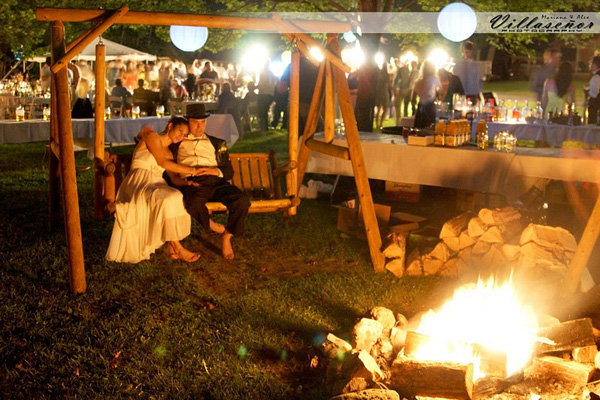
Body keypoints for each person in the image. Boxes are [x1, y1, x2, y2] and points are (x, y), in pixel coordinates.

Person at [106, 117, 202, 263]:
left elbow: (174, 179)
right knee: (166, 198)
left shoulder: (170, 153)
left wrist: (187, 182)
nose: (180, 136)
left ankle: (172, 244)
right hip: (139, 182)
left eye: (184, 134)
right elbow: (161, 162)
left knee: (175, 196)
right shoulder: (151, 137)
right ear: (170, 126)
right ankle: (178, 247)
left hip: (157, 183)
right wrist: (193, 170)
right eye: (179, 131)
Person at [166, 103, 250, 260]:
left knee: (242, 200)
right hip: (193, 182)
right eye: (195, 122)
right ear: (187, 121)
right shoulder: (176, 142)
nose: (199, 126)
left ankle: (227, 236)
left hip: (216, 180)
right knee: (193, 201)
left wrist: (214, 171)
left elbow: (229, 171)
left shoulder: (217, 143)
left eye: (202, 122)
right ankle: (212, 225)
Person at [413, 60, 441, 129]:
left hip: (420, 106)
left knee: (419, 126)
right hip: (430, 106)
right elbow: (441, 92)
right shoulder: (434, 79)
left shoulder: (418, 81)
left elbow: (413, 96)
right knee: (429, 127)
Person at [453, 41, 481, 105]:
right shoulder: (458, 65)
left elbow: (476, 82)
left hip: (472, 94)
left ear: (471, 52)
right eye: (465, 52)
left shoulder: (475, 65)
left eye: (467, 52)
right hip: (461, 94)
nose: (466, 54)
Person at [257, 65, 275, 131]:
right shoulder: (271, 73)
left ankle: (263, 127)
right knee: (265, 111)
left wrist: (257, 87)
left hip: (264, 94)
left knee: (262, 111)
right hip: (270, 94)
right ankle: (265, 127)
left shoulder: (263, 73)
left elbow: (262, 83)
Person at [374, 61, 390, 130]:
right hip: (383, 92)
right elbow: (388, 83)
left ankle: (378, 123)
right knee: (383, 109)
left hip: (381, 92)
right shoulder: (385, 75)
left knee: (379, 109)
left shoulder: (380, 74)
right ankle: (380, 123)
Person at [587, 56, 600, 125]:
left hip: (595, 106)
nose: (589, 64)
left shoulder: (596, 77)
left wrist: (588, 92)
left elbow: (594, 93)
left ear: (595, 65)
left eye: (590, 63)